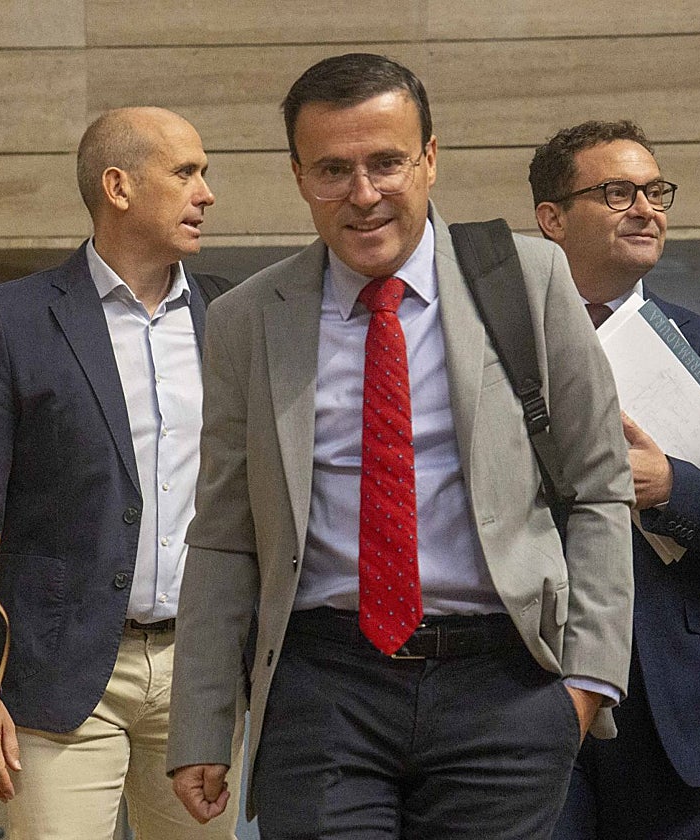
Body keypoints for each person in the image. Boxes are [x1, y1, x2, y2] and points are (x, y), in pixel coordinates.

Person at [166, 53, 635, 840]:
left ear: (429, 158)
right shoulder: (248, 319)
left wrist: (585, 686)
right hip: (323, 686)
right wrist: (203, 725)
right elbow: (222, 536)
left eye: (386, 162)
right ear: (297, 174)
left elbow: (599, 487)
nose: (363, 194)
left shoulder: (529, 278)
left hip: (504, 687)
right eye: (332, 170)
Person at [0, 106, 243, 840]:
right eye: (186, 173)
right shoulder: (11, 319)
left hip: (198, 679)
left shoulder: (232, 317)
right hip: (57, 675)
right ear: (118, 186)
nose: (207, 193)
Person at [530, 120, 700, 840]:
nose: (647, 208)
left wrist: (671, 486)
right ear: (551, 218)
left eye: (655, 192)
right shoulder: (499, 343)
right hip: (522, 686)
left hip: (662, 699)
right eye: (618, 193)